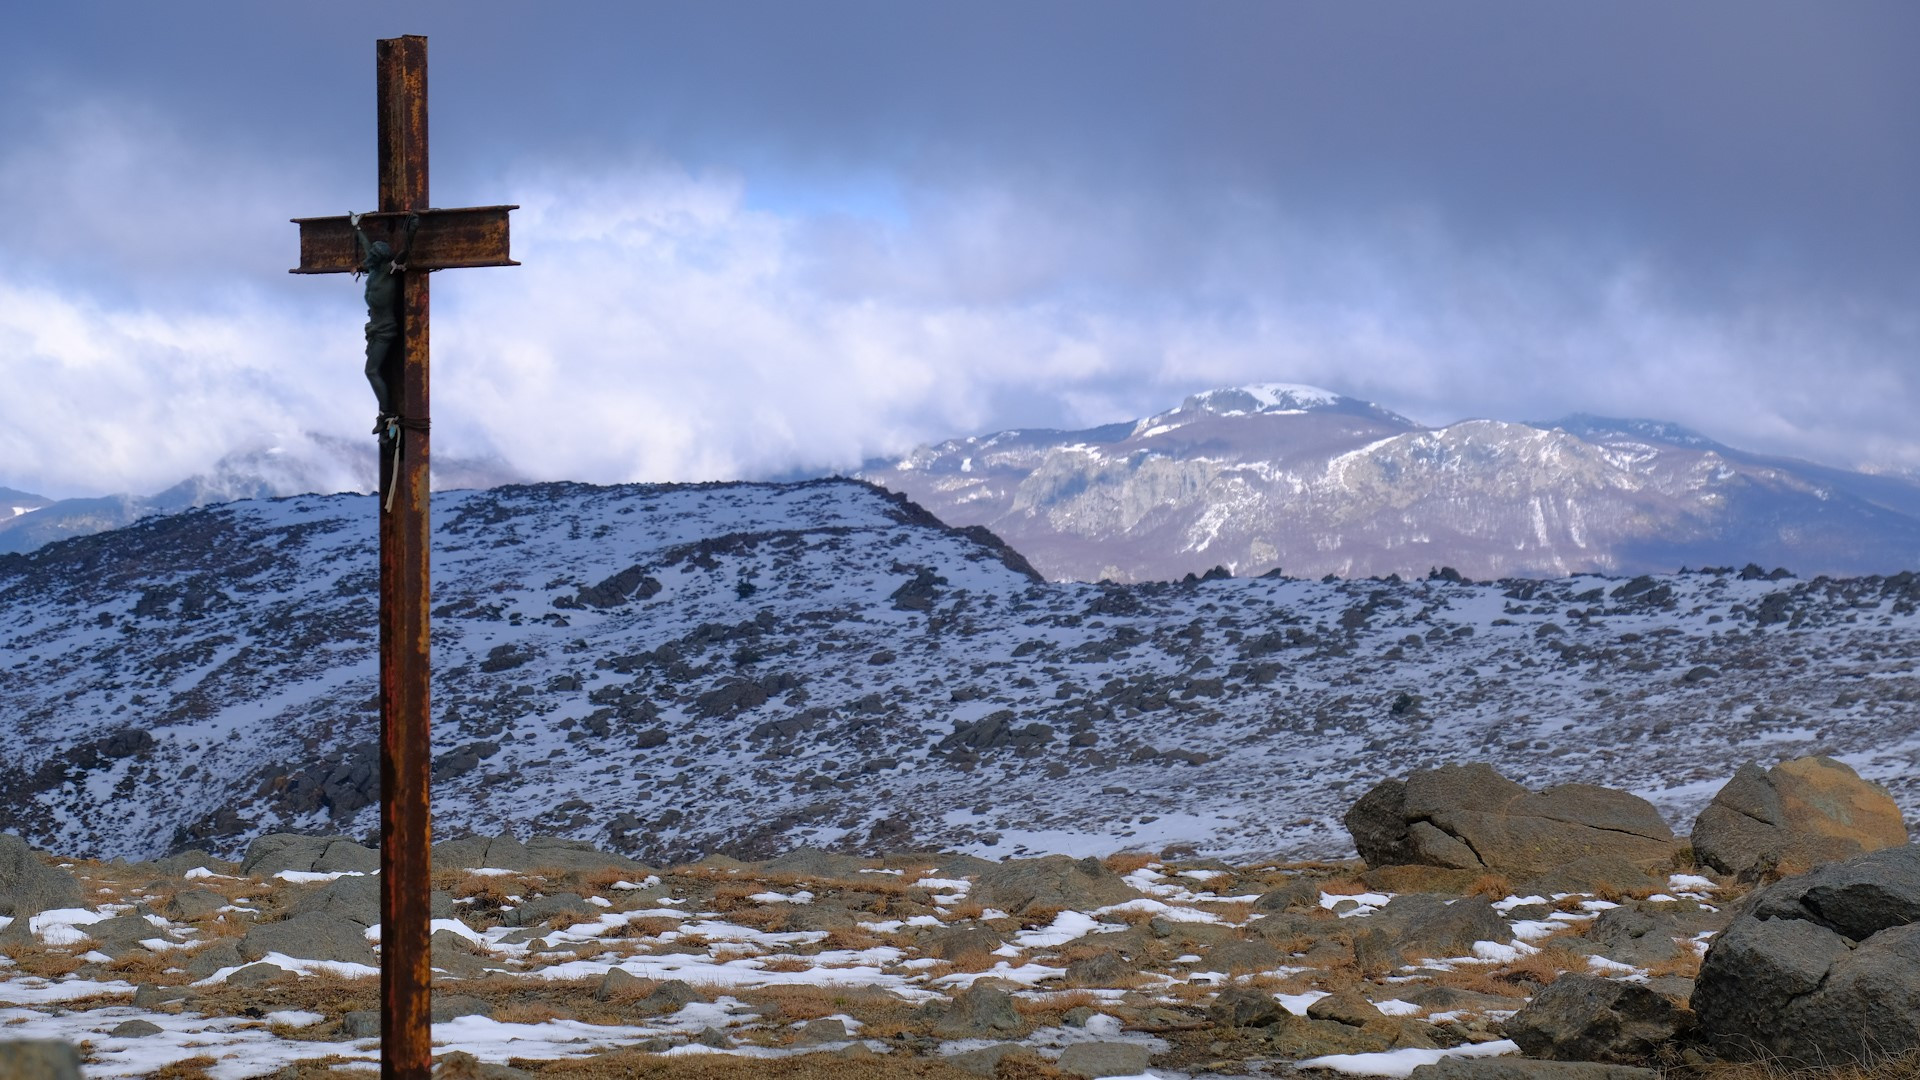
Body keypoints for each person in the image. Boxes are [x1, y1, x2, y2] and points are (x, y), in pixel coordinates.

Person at [351, 210, 420, 434]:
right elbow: (366, 245)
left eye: (373, 253)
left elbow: (404, 252)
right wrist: (357, 227)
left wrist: (411, 229)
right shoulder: (373, 270)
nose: (369, 254)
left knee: (371, 371)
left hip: (385, 330)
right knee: (373, 370)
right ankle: (385, 415)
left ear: (380, 256)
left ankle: (387, 414)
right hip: (373, 329)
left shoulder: (389, 271)